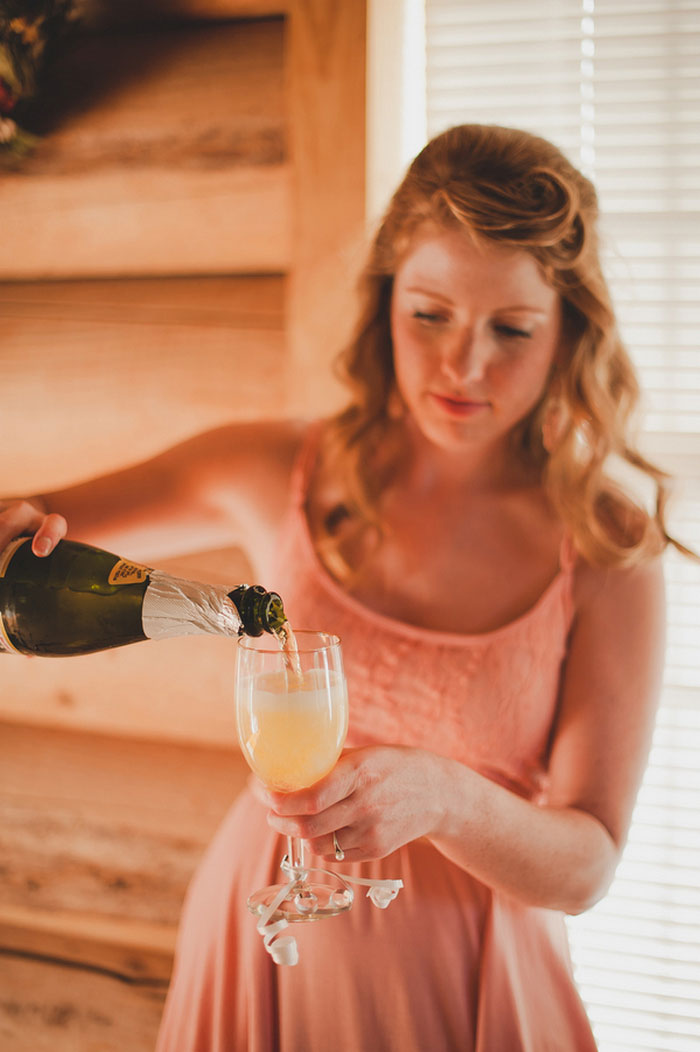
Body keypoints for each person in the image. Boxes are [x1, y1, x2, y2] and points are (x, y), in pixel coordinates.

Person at [1, 124, 688, 1051]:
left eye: (512, 330)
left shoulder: (608, 548)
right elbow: (38, 521)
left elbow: (587, 866)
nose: (464, 366)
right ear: (385, 303)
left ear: (569, 330)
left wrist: (449, 799)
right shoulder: (275, 466)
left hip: (468, 974)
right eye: (430, 314)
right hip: (260, 941)